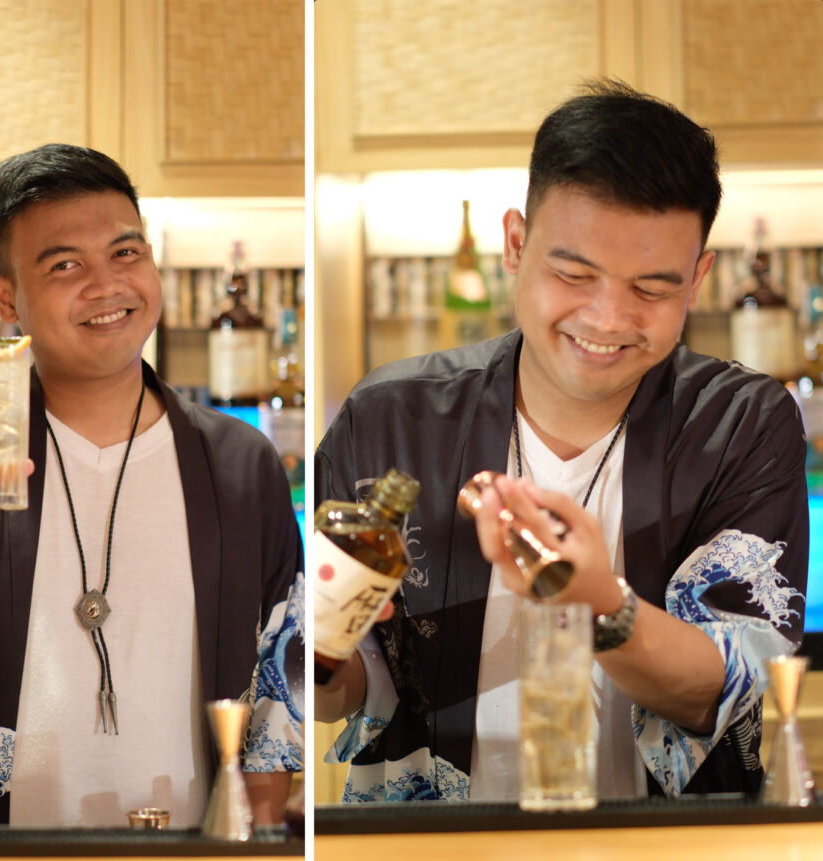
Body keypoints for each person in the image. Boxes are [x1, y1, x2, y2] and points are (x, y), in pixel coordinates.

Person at [314, 80, 808, 803]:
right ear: (515, 243)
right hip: (431, 847)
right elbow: (342, 688)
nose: (607, 317)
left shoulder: (741, 424)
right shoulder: (390, 418)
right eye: (574, 273)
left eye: (651, 288)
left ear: (699, 277)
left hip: (666, 850)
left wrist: (600, 602)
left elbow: (724, 685)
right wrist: (320, 651)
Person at [0, 144, 304, 826]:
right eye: (65, 264)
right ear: (6, 296)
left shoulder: (240, 463)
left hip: (190, 842)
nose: (107, 284)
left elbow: (280, 698)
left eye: (126, 253)